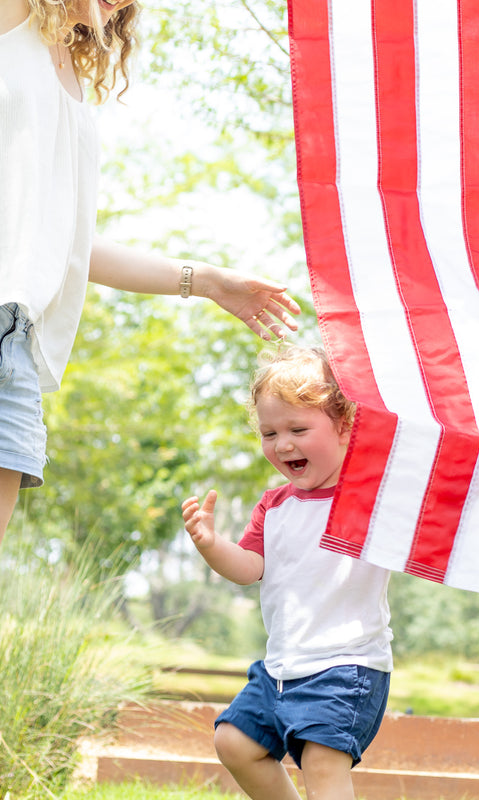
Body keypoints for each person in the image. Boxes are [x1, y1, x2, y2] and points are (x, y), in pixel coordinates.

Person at [0, 0, 301, 545]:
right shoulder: (13, 18)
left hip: (15, 338)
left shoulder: (69, 78)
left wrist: (206, 281)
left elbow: (67, 244)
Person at [182, 346, 392, 800]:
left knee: (321, 760)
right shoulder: (273, 507)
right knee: (234, 742)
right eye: (269, 433)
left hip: (346, 666)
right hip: (281, 667)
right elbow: (247, 568)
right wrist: (211, 545)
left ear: (343, 427)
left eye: (298, 429)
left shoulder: (369, 498)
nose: (283, 444)